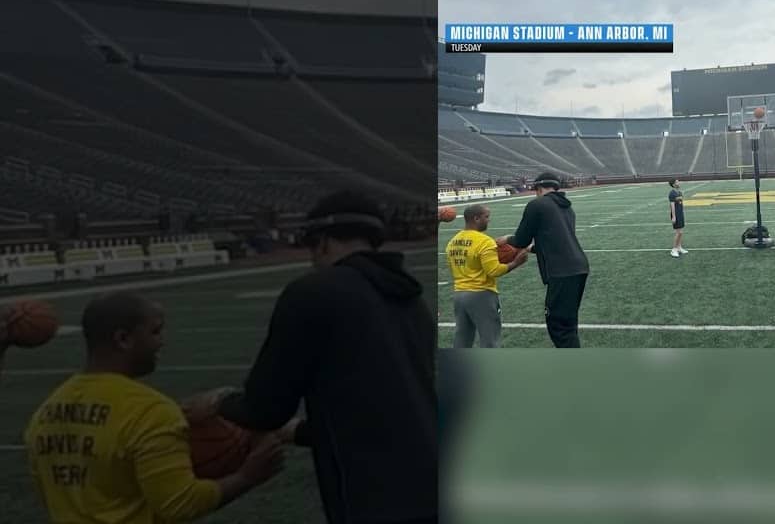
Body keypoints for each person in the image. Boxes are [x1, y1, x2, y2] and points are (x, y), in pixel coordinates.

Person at [186, 190, 438, 522]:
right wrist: (296, 432)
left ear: (322, 242)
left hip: (376, 499)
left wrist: (220, 401)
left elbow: (264, 410)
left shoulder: (313, 292)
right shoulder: (412, 300)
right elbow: (387, 413)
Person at [24, 292, 284, 523]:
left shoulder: (45, 412)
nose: (162, 342)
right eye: (155, 332)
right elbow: (181, 503)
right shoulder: (151, 411)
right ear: (123, 339)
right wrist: (247, 476)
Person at [499, 172, 590, 348]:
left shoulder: (537, 205)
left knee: (558, 326)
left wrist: (507, 239)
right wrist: (532, 248)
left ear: (539, 188)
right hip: (579, 267)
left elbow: (521, 239)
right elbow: (556, 241)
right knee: (568, 323)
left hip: (562, 271)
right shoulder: (567, 207)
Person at [447, 203, 530, 348]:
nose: (488, 220)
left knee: (462, 339)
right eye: (486, 217)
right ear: (476, 218)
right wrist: (516, 262)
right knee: (490, 340)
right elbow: (494, 271)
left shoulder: (453, 241)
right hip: (481, 294)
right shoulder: (484, 241)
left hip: (459, 294)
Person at [668, 178, 688, 258]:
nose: (679, 183)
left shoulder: (679, 192)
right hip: (676, 214)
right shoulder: (672, 193)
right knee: (678, 232)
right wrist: (673, 217)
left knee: (681, 232)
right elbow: (672, 205)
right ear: (673, 184)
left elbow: (680, 203)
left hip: (680, 213)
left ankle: (679, 247)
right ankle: (674, 249)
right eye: (677, 182)